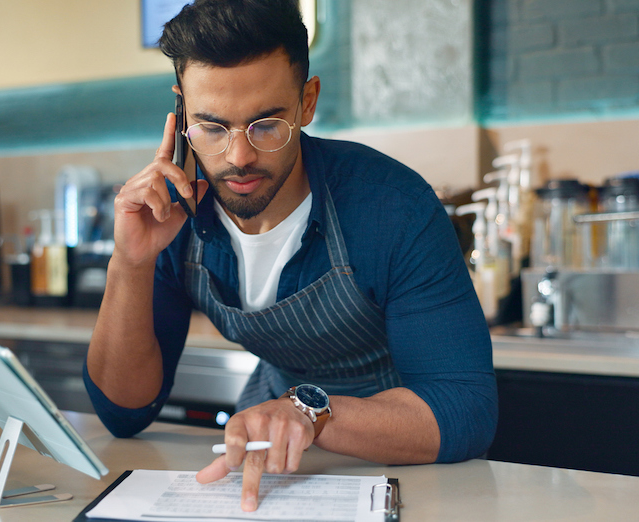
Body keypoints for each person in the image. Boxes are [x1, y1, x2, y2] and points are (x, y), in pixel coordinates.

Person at [84, 0, 497, 512]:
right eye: (211, 127)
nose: (238, 156)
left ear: (307, 101)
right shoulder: (169, 215)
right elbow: (125, 413)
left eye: (266, 124)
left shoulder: (393, 206)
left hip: (407, 459)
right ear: (181, 111)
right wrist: (131, 262)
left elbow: (465, 410)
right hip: (272, 459)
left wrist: (309, 413)